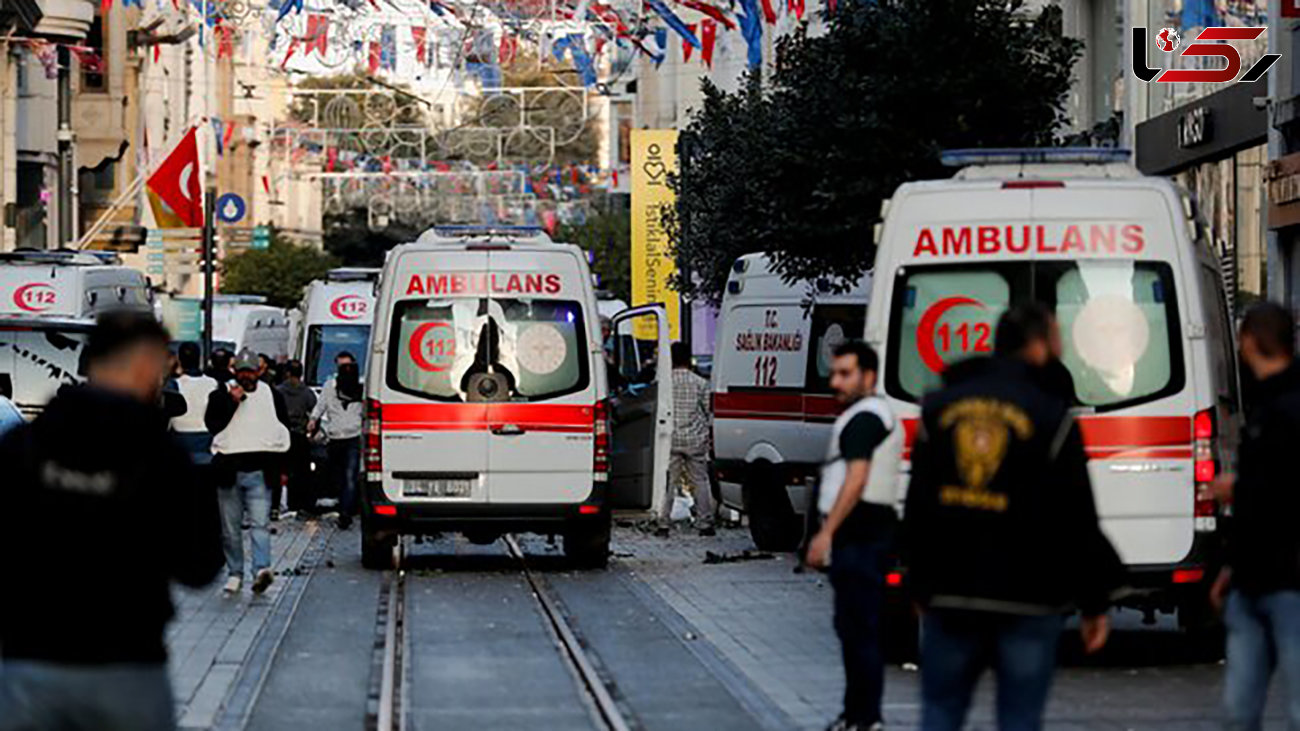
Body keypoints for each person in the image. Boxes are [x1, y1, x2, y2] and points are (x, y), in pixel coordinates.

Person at [902, 304, 1121, 731]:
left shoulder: (939, 408)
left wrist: (916, 578)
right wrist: (1096, 601)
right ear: (1039, 345)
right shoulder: (1051, 416)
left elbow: (919, 505)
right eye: (1057, 339)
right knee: (1019, 718)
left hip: (952, 591)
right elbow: (1077, 516)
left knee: (941, 712)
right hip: (1029, 597)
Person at [0, 312, 223, 731]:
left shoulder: (22, 445)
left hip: (27, 661)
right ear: (145, 365)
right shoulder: (162, 457)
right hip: (126, 663)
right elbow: (200, 566)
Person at [803, 341, 902, 731]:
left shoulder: (865, 419)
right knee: (853, 629)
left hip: (861, 540)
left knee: (859, 631)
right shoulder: (866, 415)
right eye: (834, 373)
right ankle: (856, 715)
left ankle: (865, 718)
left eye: (845, 374)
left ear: (869, 376)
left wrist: (826, 533)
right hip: (861, 540)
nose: (836, 382)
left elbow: (857, 478)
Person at [1210, 302, 1300, 730]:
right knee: (1238, 710)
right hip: (1252, 577)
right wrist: (1231, 565)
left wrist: (1237, 488)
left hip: (1288, 581)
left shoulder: (1283, 406)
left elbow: (1280, 489)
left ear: (1248, 342)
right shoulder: (1265, 402)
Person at [206, 353, 292, 595]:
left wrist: (283, 468)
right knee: (230, 529)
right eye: (241, 371)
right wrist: (231, 402)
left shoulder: (272, 395)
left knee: (260, 525)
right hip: (229, 471)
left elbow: (282, 430)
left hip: (260, 471)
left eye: (250, 371)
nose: (246, 376)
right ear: (235, 372)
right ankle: (235, 572)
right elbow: (213, 424)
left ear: (259, 372)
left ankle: (261, 570)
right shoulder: (220, 394)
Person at [656, 342, 715, 537]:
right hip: (695, 440)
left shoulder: (664, 383)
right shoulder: (700, 382)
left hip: (670, 440)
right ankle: (705, 523)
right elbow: (708, 412)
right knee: (700, 481)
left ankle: (663, 523)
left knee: (668, 483)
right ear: (689, 359)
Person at [310, 350, 364, 529]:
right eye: (342, 366)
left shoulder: (361, 385)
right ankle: (346, 505)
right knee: (341, 476)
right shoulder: (329, 386)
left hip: (353, 437)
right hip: (335, 437)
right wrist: (313, 420)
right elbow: (320, 406)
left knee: (349, 475)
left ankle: (345, 512)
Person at [276, 359, 318, 515]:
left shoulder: (278, 391)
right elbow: (315, 413)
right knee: (302, 472)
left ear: (287, 373)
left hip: (282, 435)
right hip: (300, 436)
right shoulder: (307, 393)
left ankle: (283, 502)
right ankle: (302, 502)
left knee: (283, 469)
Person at [171, 342, 219, 467]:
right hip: (208, 443)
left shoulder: (173, 385)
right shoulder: (213, 383)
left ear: (179, 360)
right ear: (199, 358)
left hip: (180, 442)